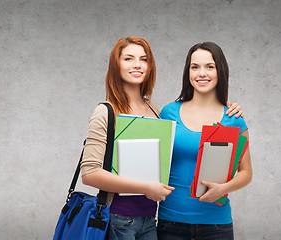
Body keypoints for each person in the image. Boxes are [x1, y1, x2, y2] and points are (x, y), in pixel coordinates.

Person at [80, 36, 244, 240]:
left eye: (144, 59)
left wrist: (221, 105)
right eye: (128, 59)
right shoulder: (106, 111)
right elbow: (89, 174)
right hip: (118, 218)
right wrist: (146, 188)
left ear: (150, 66)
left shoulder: (157, 112)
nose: (137, 65)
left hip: (150, 220)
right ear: (116, 65)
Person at [157, 42, 252, 240]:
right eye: (195, 67)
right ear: (187, 72)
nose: (202, 73)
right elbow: (155, 163)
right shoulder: (168, 113)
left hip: (216, 226)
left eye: (210, 66)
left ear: (220, 71)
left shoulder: (234, 119)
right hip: (170, 223)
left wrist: (224, 189)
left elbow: (246, 173)